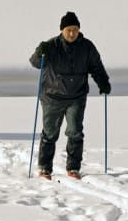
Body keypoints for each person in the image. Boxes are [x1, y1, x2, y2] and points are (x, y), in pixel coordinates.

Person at [30, 11, 111, 180]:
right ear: (62, 30)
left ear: (79, 29)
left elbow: (96, 67)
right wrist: (39, 52)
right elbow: (36, 63)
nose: (72, 33)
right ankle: (45, 168)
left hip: (76, 97)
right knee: (50, 133)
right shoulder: (51, 46)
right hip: (52, 97)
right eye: (68, 30)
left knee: (75, 132)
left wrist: (103, 82)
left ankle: (73, 167)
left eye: (75, 29)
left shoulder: (87, 47)